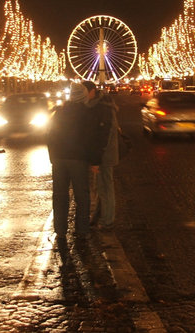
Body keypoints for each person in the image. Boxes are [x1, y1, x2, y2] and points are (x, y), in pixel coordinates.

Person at [47, 82, 107, 258]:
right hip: (78, 158)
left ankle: (60, 229)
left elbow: (51, 134)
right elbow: (92, 139)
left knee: (59, 195)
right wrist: (95, 161)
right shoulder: (87, 113)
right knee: (82, 195)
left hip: (59, 158)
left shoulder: (59, 112)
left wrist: (52, 156)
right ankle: (82, 230)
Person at [82, 80, 119, 230]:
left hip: (105, 154)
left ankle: (107, 220)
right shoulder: (101, 105)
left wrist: (96, 158)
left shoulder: (101, 108)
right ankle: (99, 216)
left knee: (105, 187)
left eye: (85, 92)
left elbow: (103, 135)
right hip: (103, 152)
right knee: (101, 187)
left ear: (91, 92)